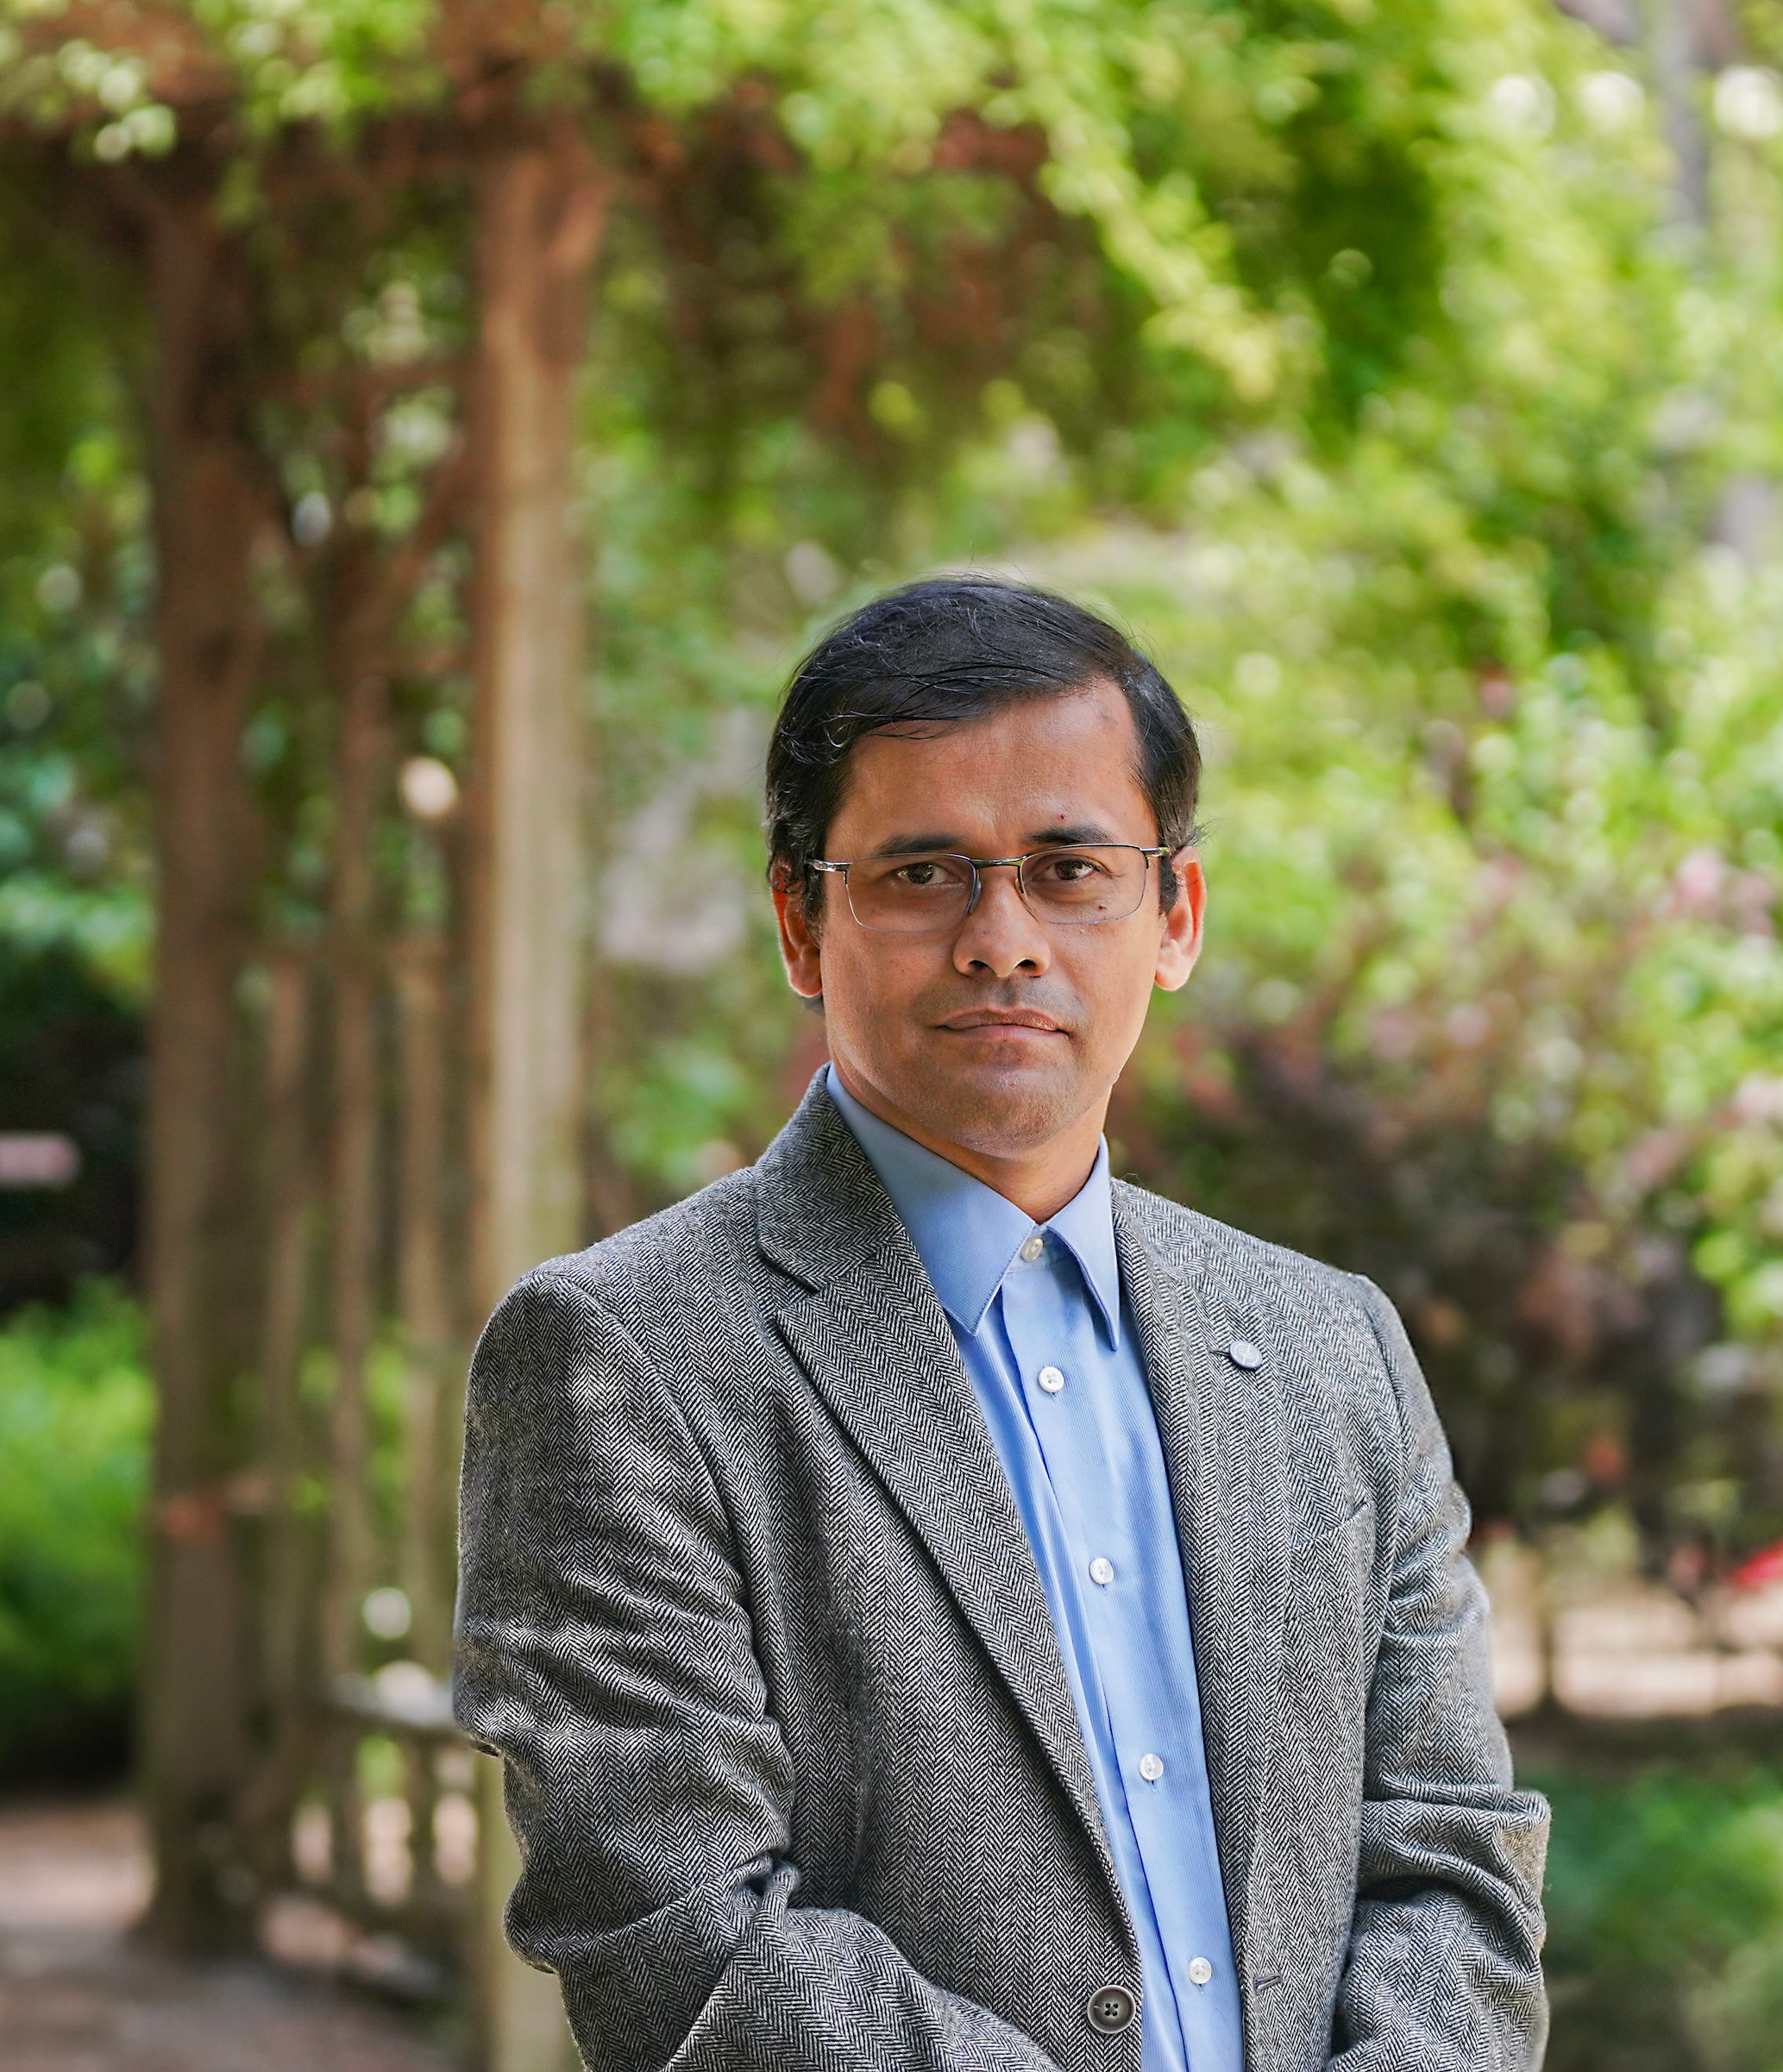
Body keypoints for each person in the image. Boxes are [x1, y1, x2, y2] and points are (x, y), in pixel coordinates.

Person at [451, 576, 1548, 2072]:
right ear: (800, 917)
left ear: (1174, 915)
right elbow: (675, 1942)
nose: (1002, 938)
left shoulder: (1327, 1348)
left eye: (1070, 867)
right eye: (922, 874)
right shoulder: (621, 1361)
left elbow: (1450, 1856)